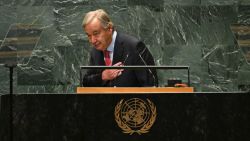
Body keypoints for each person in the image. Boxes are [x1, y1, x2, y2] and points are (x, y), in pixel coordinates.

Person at [81, 9, 158, 87]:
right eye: (89, 35)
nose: (92, 40)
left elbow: (151, 84)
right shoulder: (95, 51)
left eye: (96, 33)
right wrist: (103, 76)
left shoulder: (134, 47)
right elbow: (86, 82)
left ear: (109, 28)